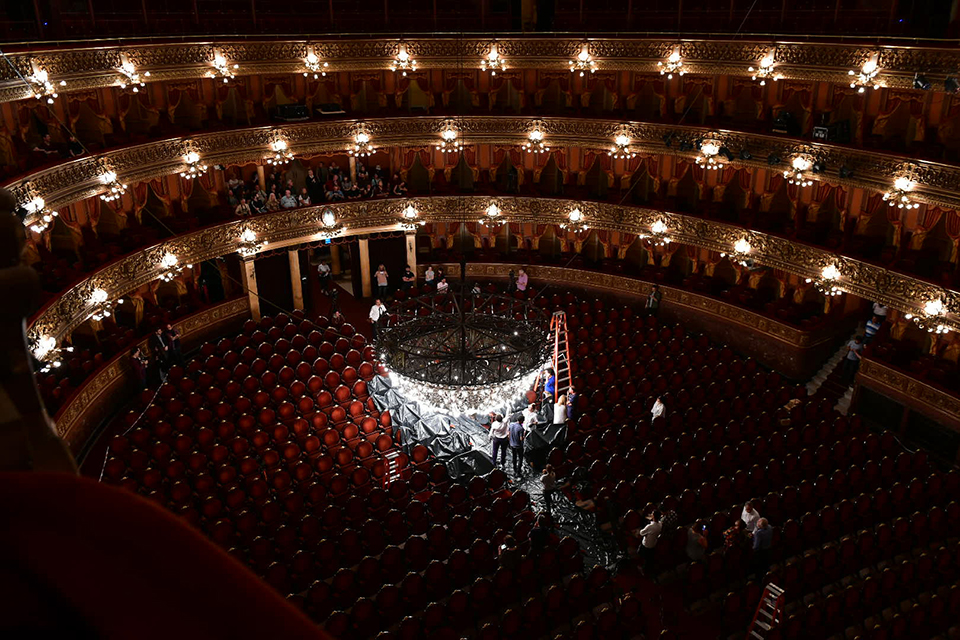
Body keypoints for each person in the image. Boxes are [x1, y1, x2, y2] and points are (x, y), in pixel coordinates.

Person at [637, 510, 663, 577]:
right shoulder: (660, 524)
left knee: (642, 555)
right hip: (653, 544)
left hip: (646, 545)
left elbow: (641, 533)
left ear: (653, 516)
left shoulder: (650, 526)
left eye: (652, 514)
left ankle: (643, 570)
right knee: (649, 558)